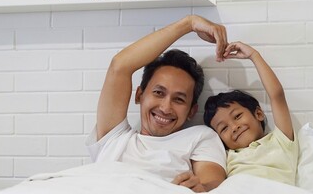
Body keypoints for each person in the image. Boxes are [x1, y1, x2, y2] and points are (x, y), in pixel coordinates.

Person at [85, 15, 228, 192]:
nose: (166, 108)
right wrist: (189, 23)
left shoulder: (199, 137)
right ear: (139, 95)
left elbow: (213, 184)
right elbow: (120, 65)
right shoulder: (114, 138)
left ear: (192, 111)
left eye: (179, 99)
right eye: (159, 93)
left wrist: (200, 188)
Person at [203, 41, 299, 186]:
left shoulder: (281, 141)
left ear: (259, 114)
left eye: (237, 116)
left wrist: (254, 56)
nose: (234, 127)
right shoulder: (228, 157)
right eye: (224, 128)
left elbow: (276, 95)